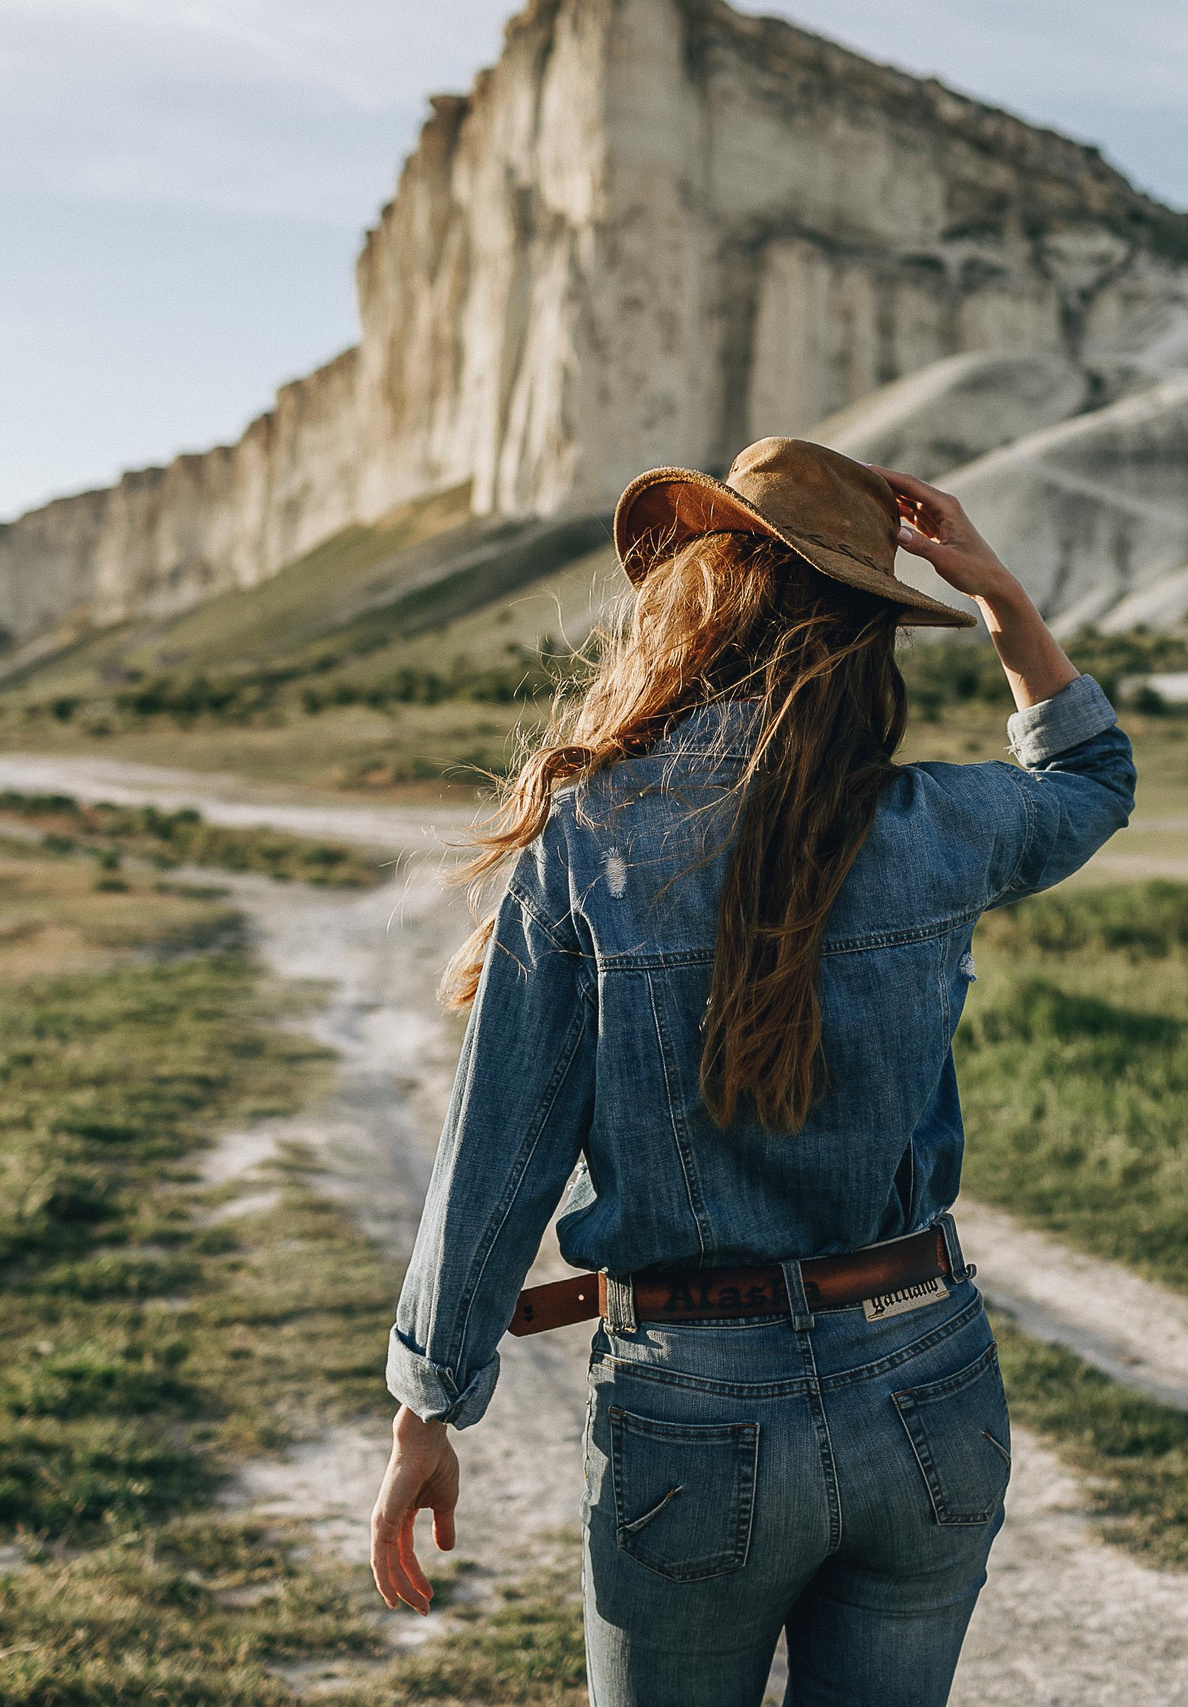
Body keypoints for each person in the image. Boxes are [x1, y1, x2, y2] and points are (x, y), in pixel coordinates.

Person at [367, 436, 1135, 1706]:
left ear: (699, 605)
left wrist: (427, 1407)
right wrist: (1000, 597)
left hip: (693, 1411)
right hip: (927, 1385)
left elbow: (500, 1154)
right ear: (866, 633)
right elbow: (1090, 779)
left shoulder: (591, 837)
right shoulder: (940, 822)